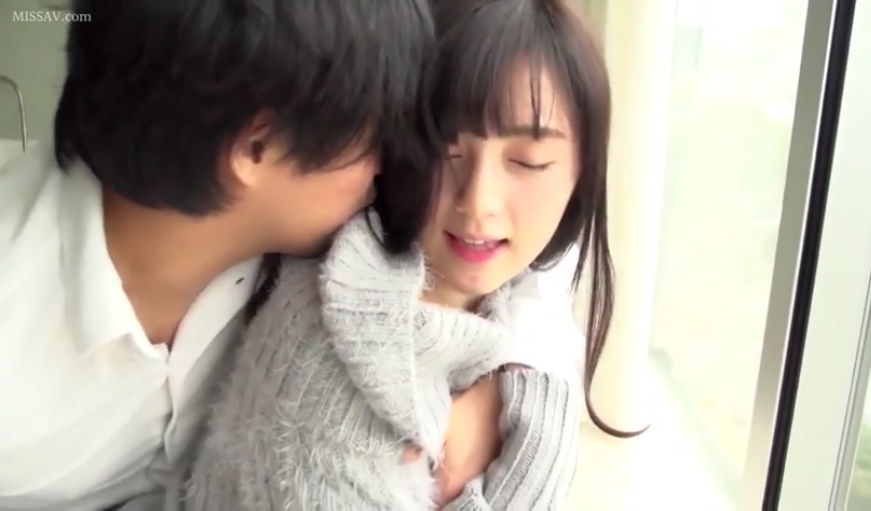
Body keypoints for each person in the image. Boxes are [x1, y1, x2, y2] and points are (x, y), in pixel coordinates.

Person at [0, 1, 586, 510]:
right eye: (374, 132)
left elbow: (529, 253)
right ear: (256, 148)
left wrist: (522, 375)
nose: (391, 164)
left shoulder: (291, 223)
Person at [176, 0, 628, 508]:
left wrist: (535, 386)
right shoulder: (335, 377)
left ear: (582, 173)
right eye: (445, 152)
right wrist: (533, 466)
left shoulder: (500, 289)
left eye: (528, 161)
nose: (478, 200)